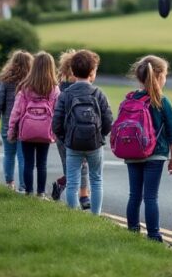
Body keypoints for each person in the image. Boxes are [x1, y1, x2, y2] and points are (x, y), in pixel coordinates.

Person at [121, 55, 172, 242]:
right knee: (151, 197)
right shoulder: (162, 101)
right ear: (160, 76)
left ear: (140, 77)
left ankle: (132, 232)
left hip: (132, 153)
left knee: (134, 195)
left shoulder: (130, 99)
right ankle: (154, 236)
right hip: (155, 154)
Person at [52, 49, 113, 214]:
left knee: (72, 182)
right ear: (92, 73)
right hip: (95, 144)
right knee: (96, 180)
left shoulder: (65, 95)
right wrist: (100, 136)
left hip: (72, 145)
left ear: (72, 71)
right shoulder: (98, 93)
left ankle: (73, 215)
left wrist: (66, 139)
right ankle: (96, 214)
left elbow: (56, 123)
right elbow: (108, 121)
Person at [8, 52, 60, 198]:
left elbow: (16, 111)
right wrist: (56, 132)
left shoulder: (25, 87)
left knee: (28, 163)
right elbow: (57, 112)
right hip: (45, 130)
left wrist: (12, 130)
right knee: (42, 164)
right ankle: (41, 193)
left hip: (27, 130)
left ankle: (28, 191)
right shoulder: (54, 89)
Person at [52, 50, 90, 208]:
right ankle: (69, 190)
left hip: (71, 134)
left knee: (79, 166)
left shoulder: (62, 86)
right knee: (74, 167)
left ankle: (83, 195)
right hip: (69, 135)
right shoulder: (64, 89)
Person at [0, 50, 32, 190]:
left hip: (8, 122)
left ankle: (9, 183)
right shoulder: (31, 82)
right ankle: (23, 186)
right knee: (23, 157)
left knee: (9, 154)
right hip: (27, 123)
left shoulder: (7, 80)